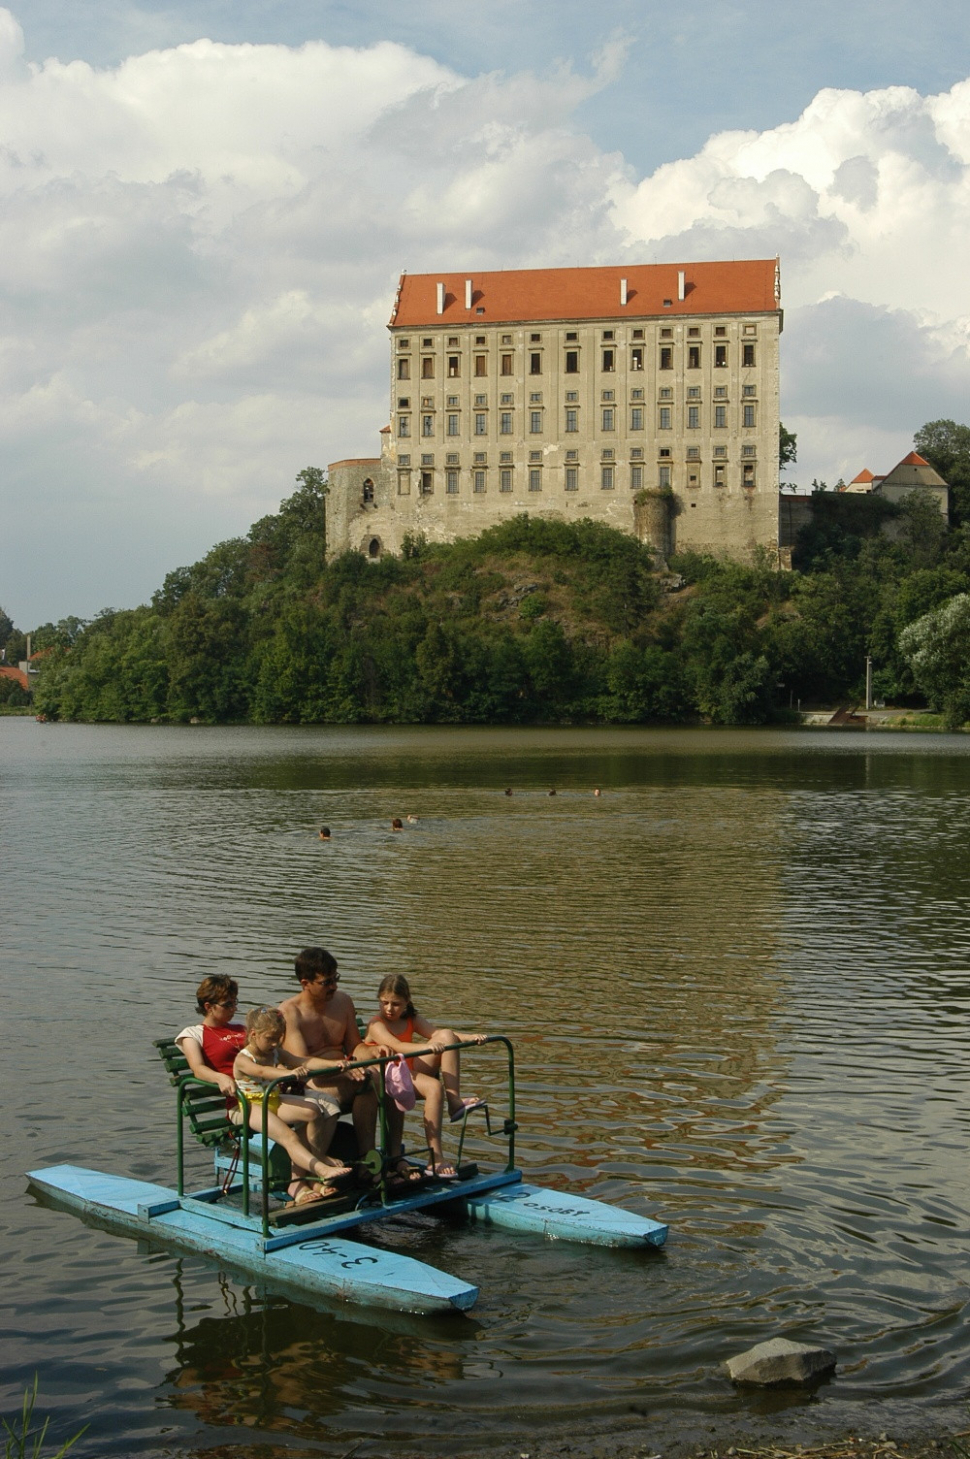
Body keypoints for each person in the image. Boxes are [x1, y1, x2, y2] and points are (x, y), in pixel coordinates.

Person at [279, 947, 400, 1169]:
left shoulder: (343, 1001)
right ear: (305, 983)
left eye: (336, 979)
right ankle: (317, 1168)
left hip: (343, 1074)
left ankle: (375, 1157)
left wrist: (375, 1051)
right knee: (369, 1081)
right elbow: (304, 1063)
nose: (334, 986)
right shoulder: (290, 1012)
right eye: (326, 982)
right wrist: (342, 1068)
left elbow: (355, 1047)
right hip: (310, 1081)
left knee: (384, 1081)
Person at [365, 974, 487, 1180]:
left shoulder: (411, 1018)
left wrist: (470, 1037)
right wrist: (427, 1047)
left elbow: (436, 1033)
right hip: (385, 1075)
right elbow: (398, 1046)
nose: (389, 1009)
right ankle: (435, 1157)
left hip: (406, 1070)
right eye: (384, 1003)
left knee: (447, 1035)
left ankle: (454, 1099)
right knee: (433, 1087)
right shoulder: (376, 1024)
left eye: (396, 1004)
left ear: (406, 1003)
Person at [232, 1006, 354, 1205]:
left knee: (314, 1110)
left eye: (279, 1038)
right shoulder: (244, 1058)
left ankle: (317, 1158)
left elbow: (304, 1061)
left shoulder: (276, 1053)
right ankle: (320, 1169)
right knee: (288, 1137)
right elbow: (262, 1072)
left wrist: (336, 1064)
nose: (275, 1043)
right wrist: (287, 1074)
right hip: (252, 1106)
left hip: (272, 1099)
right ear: (253, 1034)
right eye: (270, 1038)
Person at [175, 976, 246, 1100]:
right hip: (240, 1095)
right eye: (228, 1004)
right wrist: (220, 1078)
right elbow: (198, 1069)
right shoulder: (193, 1034)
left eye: (234, 1002)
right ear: (208, 1007)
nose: (234, 1008)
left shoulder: (241, 1026)